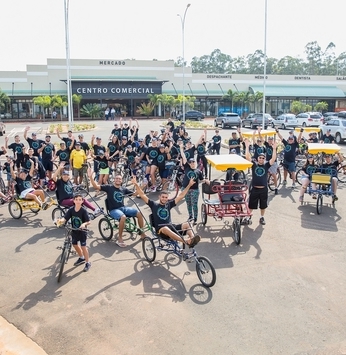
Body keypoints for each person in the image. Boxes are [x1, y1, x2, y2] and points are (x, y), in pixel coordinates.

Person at [132, 176, 200, 247]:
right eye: (163, 197)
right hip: (161, 230)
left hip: (171, 227)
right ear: (159, 197)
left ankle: (192, 239)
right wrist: (136, 184)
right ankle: (185, 241)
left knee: (187, 224)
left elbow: (181, 196)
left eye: (166, 197)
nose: (164, 199)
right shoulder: (153, 205)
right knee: (165, 228)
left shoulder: (169, 205)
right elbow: (142, 195)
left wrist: (189, 185)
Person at [87, 169, 147, 247]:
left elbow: (134, 194)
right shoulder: (109, 187)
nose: (118, 180)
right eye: (117, 178)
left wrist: (140, 186)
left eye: (120, 179)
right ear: (114, 180)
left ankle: (142, 233)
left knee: (139, 213)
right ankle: (120, 239)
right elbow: (96, 186)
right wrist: (91, 177)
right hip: (113, 210)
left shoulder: (123, 189)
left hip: (123, 208)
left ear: (122, 181)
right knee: (123, 217)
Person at [244, 138, 277, 225]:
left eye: (263, 158)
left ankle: (261, 218)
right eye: (260, 158)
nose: (261, 159)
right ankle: (248, 217)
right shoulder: (254, 165)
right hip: (255, 189)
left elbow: (273, 159)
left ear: (264, 159)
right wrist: (247, 146)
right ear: (257, 158)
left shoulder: (266, 166)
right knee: (251, 205)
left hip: (263, 189)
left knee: (263, 205)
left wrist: (274, 149)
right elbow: (247, 157)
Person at [57, 194, 92, 272]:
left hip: (82, 231)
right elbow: (65, 218)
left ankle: (88, 262)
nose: (78, 201)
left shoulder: (83, 210)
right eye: (76, 199)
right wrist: (61, 221)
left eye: (80, 200)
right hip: (74, 230)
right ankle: (81, 257)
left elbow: (88, 221)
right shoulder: (71, 210)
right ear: (74, 200)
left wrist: (84, 224)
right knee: (74, 244)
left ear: (82, 201)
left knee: (83, 247)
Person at [180, 143, 209, 225]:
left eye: (194, 162)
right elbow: (183, 157)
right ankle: (190, 216)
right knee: (188, 203)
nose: (192, 164)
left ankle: (195, 218)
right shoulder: (186, 168)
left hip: (195, 190)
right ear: (189, 163)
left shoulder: (198, 171)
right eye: (191, 163)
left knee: (194, 204)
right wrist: (181, 149)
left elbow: (202, 180)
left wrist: (206, 181)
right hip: (186, 189)